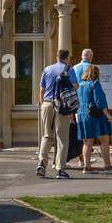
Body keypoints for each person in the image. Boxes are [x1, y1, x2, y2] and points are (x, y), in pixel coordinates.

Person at [36, 49, 76, 179]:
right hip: (62, 106)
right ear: (67, 58)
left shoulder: (47, 69)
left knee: (47, 135)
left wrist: (43, 104)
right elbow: (75, 86)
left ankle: (42, 164)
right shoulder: (69, 69)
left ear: (57, 56)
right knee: (62, 138)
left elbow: (41, 90)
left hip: (47, 104)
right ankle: (60, 169)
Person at [77, 64, 112, 172]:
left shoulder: (80, 85)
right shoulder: (95, 83)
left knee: (87, 142)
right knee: (104, 139)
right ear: (96, 73)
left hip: (82, 114)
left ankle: (87, 166)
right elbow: (100, 102)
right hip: (96, 115)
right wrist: (108, 115)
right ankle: (107, 165)